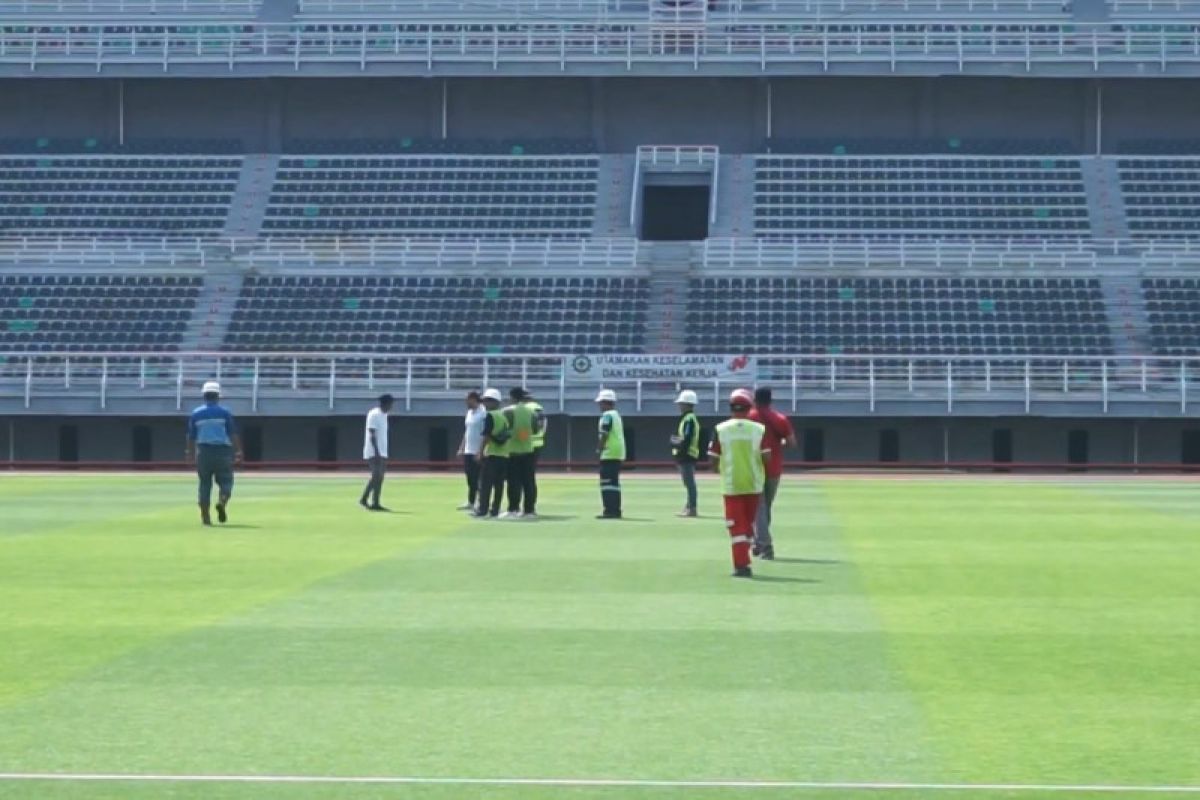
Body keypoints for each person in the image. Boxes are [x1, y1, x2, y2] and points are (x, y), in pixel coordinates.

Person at [709, 389, 771, 578]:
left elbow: (713, 458)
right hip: (753, 484)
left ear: (731, 408)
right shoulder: (759, 429)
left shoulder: (720, 429)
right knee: (746, 525)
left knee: (736, 528)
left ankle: (742, 566)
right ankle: (747, 551)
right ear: (748, 408)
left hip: (731, 485)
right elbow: (767, 457)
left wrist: (720, 469)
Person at [748, 386, 797, 560]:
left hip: (754, 467)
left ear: (755, 399)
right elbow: (791, 443)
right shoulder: (780, 419)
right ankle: (760, 543)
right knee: (765, 507)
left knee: (758, 508)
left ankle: (764, 544)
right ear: (770, 400)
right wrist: (778, 444)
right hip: (774, 468)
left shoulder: (749, 418)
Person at [185, 381, 243, 527]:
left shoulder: (196, 414)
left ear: (204, 396)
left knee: (204, 484)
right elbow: (232, 433)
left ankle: (206, 518)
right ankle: (222, 501)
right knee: (226, 481)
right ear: (218, 396)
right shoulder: (225, 413)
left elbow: (191, 436)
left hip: (203, 452)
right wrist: (238, 451)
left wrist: (189, 453)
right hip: (222, 451)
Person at [503, 387, 540, 520]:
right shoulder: (532, 412)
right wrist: (523, 434)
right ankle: (529, 510)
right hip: (528, 450)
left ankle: (513, 509)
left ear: (512, 397)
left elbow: (503, 429)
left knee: (513, 482)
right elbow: (535, 430)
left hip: (512, 450)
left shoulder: (507, 411)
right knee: (529, 482)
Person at [473, 388, 511, 519]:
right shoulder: (503, 416)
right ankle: (495, 510)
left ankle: (482, 510)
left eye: (487, 401)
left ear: (494, 402)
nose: (484, 404)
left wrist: (480, 452)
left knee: (485, 484)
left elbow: (487, 435)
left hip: (492, 454)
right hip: (503, 454)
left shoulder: (490, 416)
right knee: (499, 484)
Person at [595, 389, 625, 519]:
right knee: (614, 483)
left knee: (607, 483)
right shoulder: (616, 415)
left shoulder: (607, 416)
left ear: (605, 403)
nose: (599, 405)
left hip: (609, 452)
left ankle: (609, 510)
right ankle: (616, 510)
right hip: (618, 452)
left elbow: (604, 434)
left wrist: (599, 448)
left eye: (600, 403)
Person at [360, 393, 394, 511]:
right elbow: (372, 434)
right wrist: (377, 452)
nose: (391, 406)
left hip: (383, 451)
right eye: (390, 404)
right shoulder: (374, 414)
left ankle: (374, 502)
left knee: (380, 477)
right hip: (374, 451)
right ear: (386, 403)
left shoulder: (384, 415)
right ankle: (366, 499)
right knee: (376, 475)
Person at [671, 389, 701, 518]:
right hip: (687, 454)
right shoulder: (689, 419)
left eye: (681, 403)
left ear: (687, 404)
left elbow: (687, 438)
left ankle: (692, 508)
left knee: (689, 483)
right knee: (688, 483)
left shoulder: (689, 419)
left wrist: (677, 446)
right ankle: (689, 506)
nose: (679, 406)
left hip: (687, 455)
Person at [457, 390, 486, 511]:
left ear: (474, 399)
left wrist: (481, 451)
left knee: (479, 478)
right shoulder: (469, 413)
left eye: (467, 399)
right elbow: (467, 431)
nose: (465, 402)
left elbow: (486, 433)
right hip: (468, 450)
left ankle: (482, 501)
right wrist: (462, 447)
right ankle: (471, 502)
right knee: (470, 477)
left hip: (478, 451)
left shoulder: (483, 413)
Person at [526, 391, 546, 514]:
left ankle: (526, 508)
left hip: (526, 445)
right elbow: (543, 427)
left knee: (523, 478)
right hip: (538, 443)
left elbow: (525, 428)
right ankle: (531, 507)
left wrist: (520, 439)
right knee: (530, 477)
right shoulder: (539, 408)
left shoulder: (526, 409)